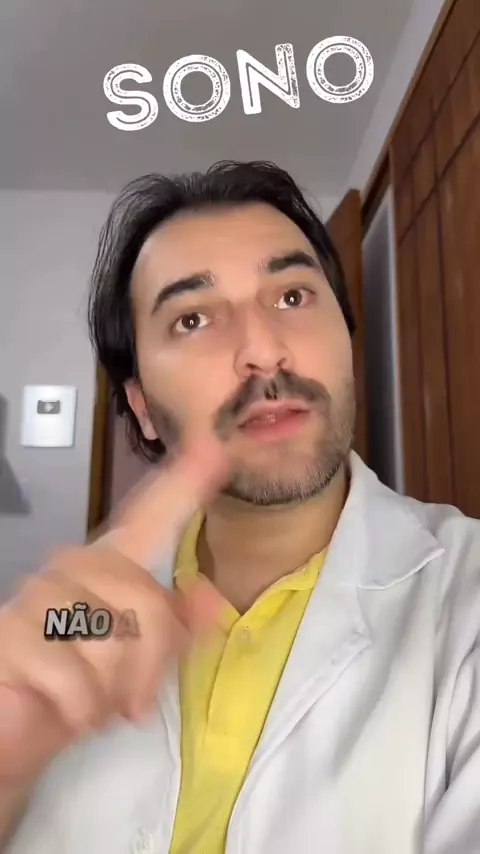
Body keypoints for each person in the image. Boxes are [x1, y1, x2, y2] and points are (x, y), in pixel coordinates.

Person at [1, 161, 480, 854]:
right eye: (193, 318)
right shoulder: (64, 625)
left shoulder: (465, 599)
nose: (263, 351)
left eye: (292, 296)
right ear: (142, 406)